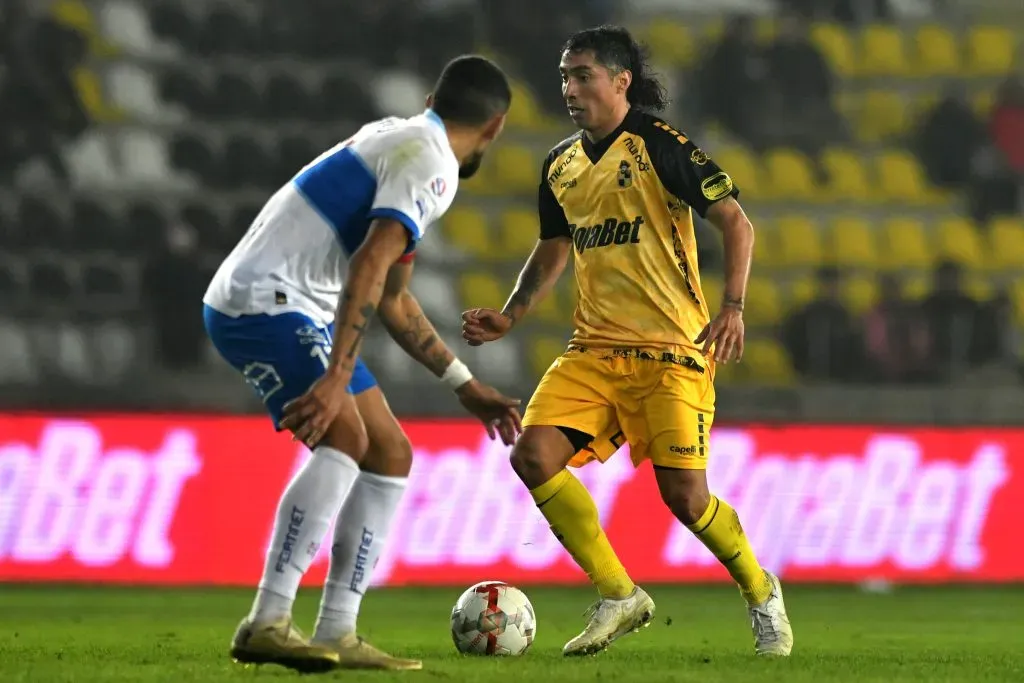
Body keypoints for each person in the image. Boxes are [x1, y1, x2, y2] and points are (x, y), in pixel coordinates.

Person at [462, 26, 793, 657]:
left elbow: (736, 222)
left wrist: (734, 307)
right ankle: (618, 594)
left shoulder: (659, 146)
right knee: (531, 457)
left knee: (686, 498)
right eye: (564, 76)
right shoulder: (559, 164)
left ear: (621, 81)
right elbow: (553, 245)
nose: (569, 88)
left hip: (672, 349)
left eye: (583, 75)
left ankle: (761, 591)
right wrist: (512, 314)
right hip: (593, 350)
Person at [203, 55, 521, 673]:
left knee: (390, 452)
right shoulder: (429, 164)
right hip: (263, 304)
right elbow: (370, 270)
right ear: (497, 126)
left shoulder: (400, 140)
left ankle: (339, 631)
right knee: (344, 434)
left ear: (434, 95)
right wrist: (334, 379)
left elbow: (394, 301)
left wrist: (463, 383)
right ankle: (266, 620)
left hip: (296, 305)